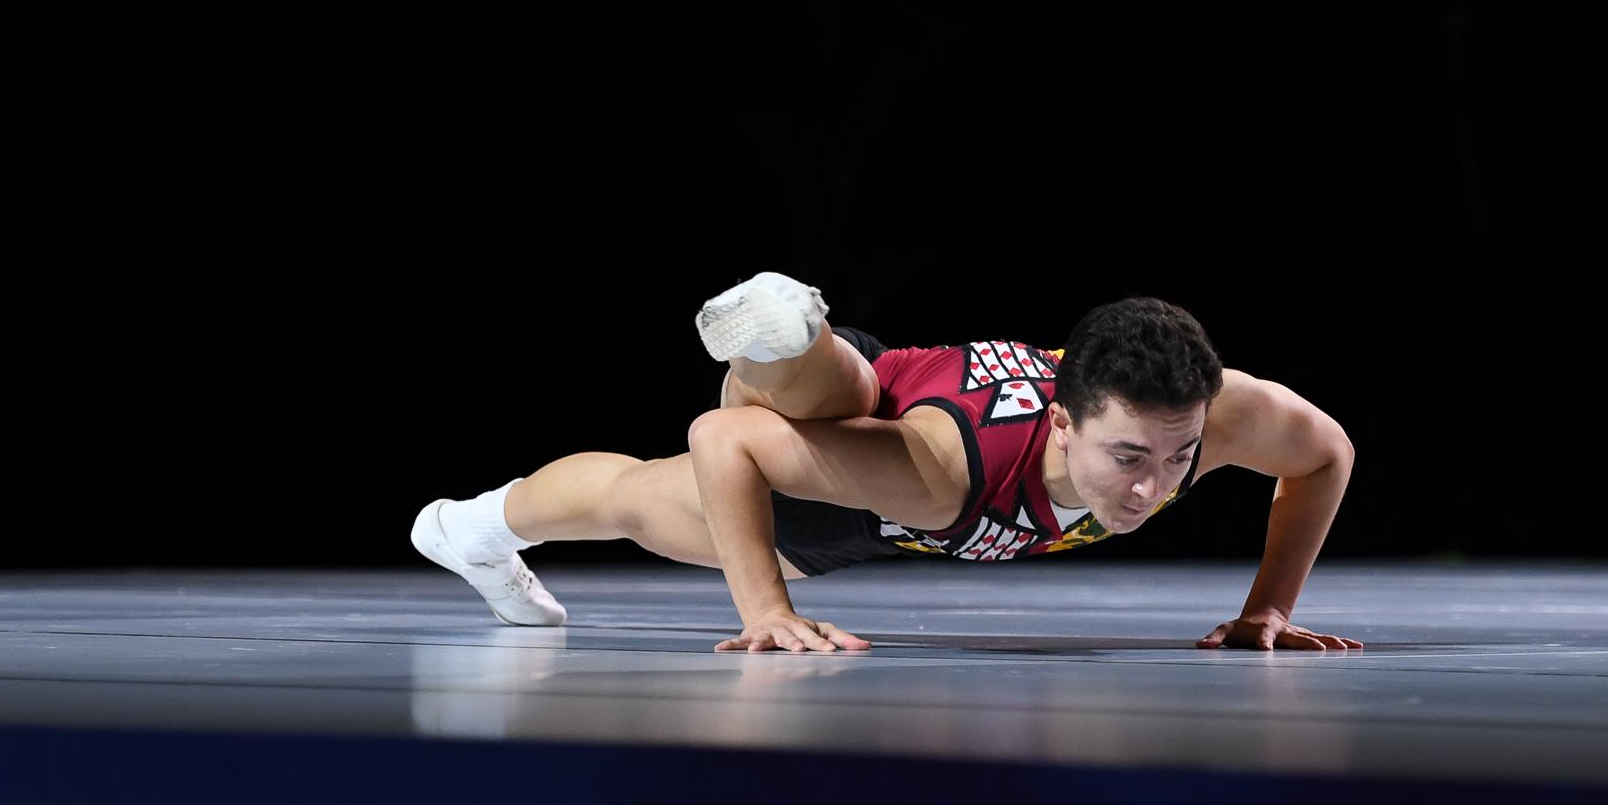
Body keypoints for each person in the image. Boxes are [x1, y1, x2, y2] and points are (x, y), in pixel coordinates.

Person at [412, 272, 1362, 654]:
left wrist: (1267, 606)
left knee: (840, 387)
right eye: (1127, 458)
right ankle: (468, 527)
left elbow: (1327, 455)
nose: (1154, 486)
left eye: (1178, 456)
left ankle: (792, 346)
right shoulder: (946, 476)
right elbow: (722, 442)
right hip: (891, 462)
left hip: (885, 392)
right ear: (1066, 424)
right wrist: (768, 615)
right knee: (634, 495)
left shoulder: (1215, 408)